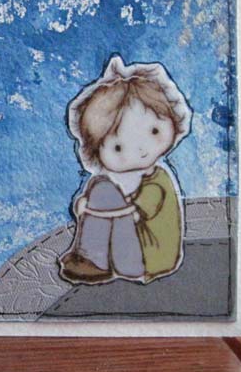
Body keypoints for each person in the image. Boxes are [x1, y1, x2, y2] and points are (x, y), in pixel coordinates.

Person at [59, 55, 192, 284]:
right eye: (118, 147)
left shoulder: (157, 180)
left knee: (102, 189)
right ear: (96, 151)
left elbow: (136, 211)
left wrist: (92, 210)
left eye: (154, 131)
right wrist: (84, 205)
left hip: (146, 258)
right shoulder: (114, 178)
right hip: (125, 253)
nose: (140, 150)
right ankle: (92, 259)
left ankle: (92, 260)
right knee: (101, 187)